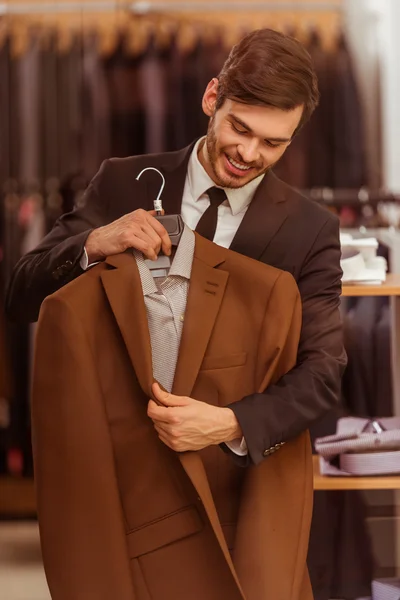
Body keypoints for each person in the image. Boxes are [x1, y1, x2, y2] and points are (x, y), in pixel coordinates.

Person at [6, 28, 346, 466]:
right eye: (240, 128)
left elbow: (323, 372)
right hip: (117, 460)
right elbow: (20, 294)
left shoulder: (310, 230)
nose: (248, 152)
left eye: (272, 143)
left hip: (230, 475)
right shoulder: (121, 182)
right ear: (211, 98)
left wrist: (234, 423)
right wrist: (94, 243)